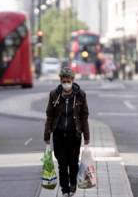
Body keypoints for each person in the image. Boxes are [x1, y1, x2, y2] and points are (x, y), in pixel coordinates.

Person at [44, 67, 90, 197]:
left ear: (72, 80)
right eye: (63, 81)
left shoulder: (81, 95)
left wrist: (86, 137)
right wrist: (47, 134)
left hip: (74, 135)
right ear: (60, 80)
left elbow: (84, 117)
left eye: (68, 81)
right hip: (58, 136)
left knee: (73, 163)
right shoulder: (54, 95)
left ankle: (73, 185)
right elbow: (49, 116)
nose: (66, 84)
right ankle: (65, 190)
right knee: (62, 164)